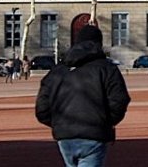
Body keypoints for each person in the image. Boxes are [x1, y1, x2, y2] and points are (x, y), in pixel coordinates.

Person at [36, 24, 131, 167]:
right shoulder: (107, 69)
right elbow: (119, 100)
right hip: (94, 133)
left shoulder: (57, 71)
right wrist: (104, 122)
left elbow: (42, 108)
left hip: (65, 135)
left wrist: (60, 124)